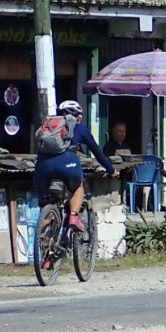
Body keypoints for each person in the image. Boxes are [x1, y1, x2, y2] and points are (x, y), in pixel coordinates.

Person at [33, 99, 116, 234]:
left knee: (46, 212)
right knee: (78, 186)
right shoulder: (79, 128)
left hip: (42, 167)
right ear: (77, 116)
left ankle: (43, 250)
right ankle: (73, 216)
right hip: (67, 165)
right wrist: (111, 170)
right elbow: (97, 152)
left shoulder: (49, 127)